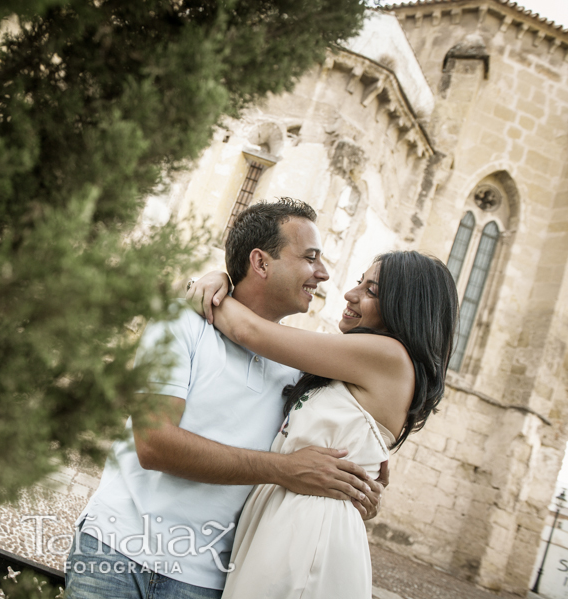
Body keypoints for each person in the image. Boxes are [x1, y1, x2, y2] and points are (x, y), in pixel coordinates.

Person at [65, 199, 385, 599]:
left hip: (205, 577)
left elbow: (334, 452)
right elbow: (154, 444)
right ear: (262, 263)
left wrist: (358, 487)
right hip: (115, 549)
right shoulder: (180, 320)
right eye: (310, 258)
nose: (322, 274)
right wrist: (282, 469)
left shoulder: (305, 371)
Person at [186, 250, 459, 598]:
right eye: (360, 282)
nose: (351, 293)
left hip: (309, 530)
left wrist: (205, 284)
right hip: (283, 518)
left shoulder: (388, 356)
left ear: (406, 307)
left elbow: (248, 330)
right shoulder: (353, 362)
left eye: (372, 290)